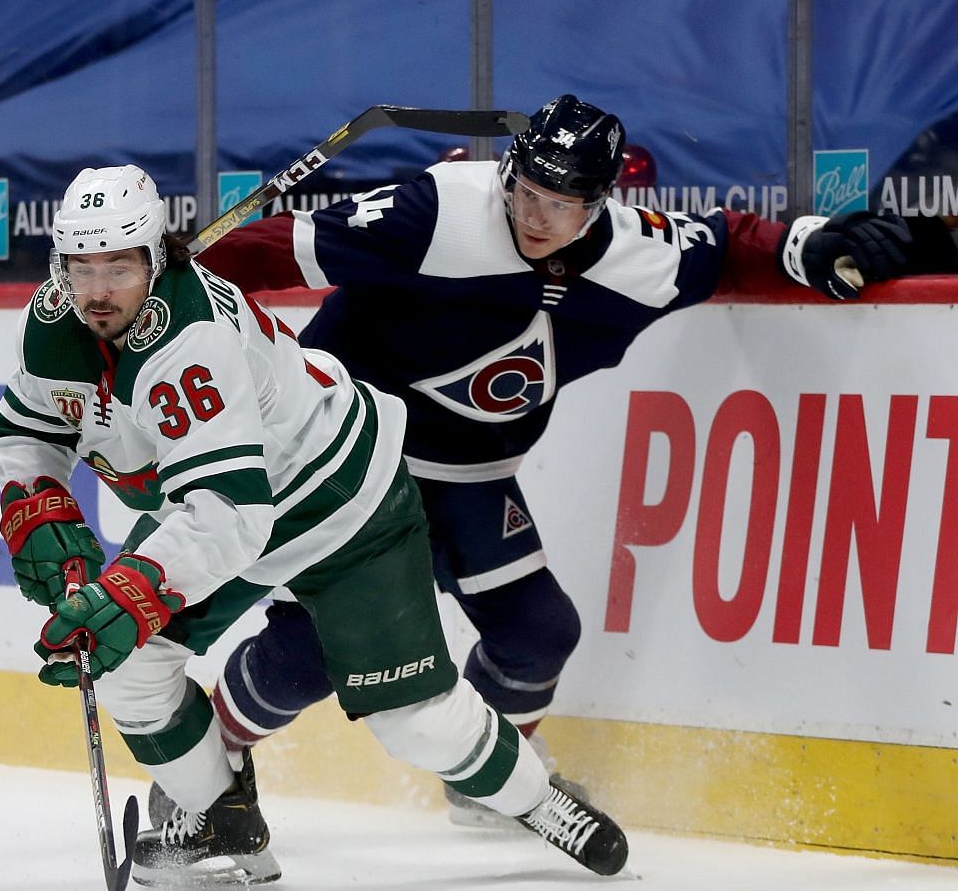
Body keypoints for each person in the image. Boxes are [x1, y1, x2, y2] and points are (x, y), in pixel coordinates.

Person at [190, 94, 951, 826]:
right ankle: (203, 774)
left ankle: (494, 779)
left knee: (537, 633)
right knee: (313, 652)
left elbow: (727, 248)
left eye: (560, 203)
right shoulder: (442, 209)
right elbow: (266, 249)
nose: (534, 215)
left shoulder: (636, 253)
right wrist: (154, 288)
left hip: (468, 472)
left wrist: (814, 245)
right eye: (525, 191)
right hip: (354, 457)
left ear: (599, 204)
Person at [0, 164, 630, 887]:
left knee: (414, 719)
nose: (98, 290)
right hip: (216, 507)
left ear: (155, 258)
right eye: (81, 266)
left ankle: (538, 802)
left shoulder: (189, 342)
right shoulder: (51, 321)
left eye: (120, 265)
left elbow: (231, 516)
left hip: (337, 500)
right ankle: (223, 819)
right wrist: (39, 507)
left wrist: (124, 593)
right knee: (131, 665)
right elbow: (29, 428)